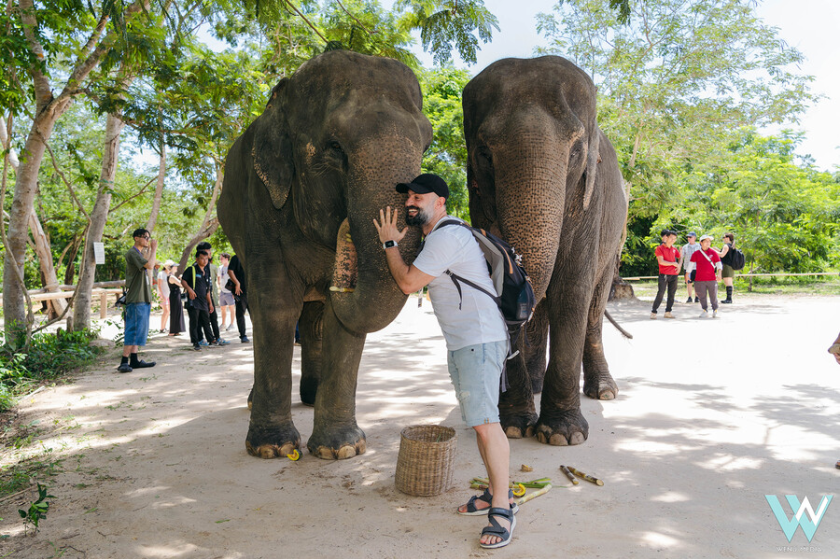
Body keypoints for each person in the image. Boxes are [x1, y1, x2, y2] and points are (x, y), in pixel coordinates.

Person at [374, 173, 516, 549]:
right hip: (468, 342)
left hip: (478, 340)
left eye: (420, 197)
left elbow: (408, 283)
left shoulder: (447, 237)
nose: (411, 202)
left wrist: (389, 242)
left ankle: (502, 508)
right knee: (481, 422)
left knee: (487, 425)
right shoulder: (441, 237)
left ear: (441, 202)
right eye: (409, 197)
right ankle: (493, 492)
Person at [118, 228, 158, 373]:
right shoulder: (132, 253)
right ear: (136, 238)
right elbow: (149, 265)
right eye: (145, 237)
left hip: (143, 298)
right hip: (136, 298)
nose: (148, 239)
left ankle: (133, 360)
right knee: (133, 329)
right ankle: (124, 361)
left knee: (140, 330)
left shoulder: (139, 254)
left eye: (149, 237)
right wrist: (153, 250)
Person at [195, 241, 230, 346]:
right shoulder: (196, 266)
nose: (210, 252)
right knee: (201, 319)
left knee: (213, 316)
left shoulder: (208, 265)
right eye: (208, 250)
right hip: (200, 297)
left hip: (208, 294)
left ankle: (216, 337)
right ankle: (201, 339)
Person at [182, 249, 216, 351]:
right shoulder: (191, 269)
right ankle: (196, 342)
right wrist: (190, 290)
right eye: (202, 258)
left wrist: (210, 303)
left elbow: (207, 290)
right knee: (194, 322)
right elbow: (183, 280)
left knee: (206, 321)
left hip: (204, 301)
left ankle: (211, 340)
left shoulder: (206, 271)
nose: (205, 261)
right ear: (197, 259)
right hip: (194, 301)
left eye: (206, 259)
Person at [688, 234, 722, 318]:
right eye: (706, 241)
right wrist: (687, 274)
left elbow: (718, 264)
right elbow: (690, 265)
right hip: (699, 279)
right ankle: (705, 310)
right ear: (701, 242)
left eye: (709, 241)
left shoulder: (713, 252)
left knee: (713, 295)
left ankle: (715, 310)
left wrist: (719, 273)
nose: (708, 243)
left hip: (711, 278)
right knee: (701, 295)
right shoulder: (696, 253)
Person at [650, 229, 680, 319]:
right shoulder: (659, 248)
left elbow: (680, 256)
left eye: (674, 239)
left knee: (672, 294)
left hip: (674, 274)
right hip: (664, 274)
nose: (673, 240)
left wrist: (679, 266)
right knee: (661, 293)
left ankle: (668, 312)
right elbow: (661, 261)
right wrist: (673, 263)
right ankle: (654, 311)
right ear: (666, 238)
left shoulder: (674, 249)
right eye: (671, 238)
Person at [227, 254, 250, 343]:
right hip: (240, 291)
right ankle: (243, 335)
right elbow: (230, 271)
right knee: (240, 313)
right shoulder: (236, 257)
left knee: (256, 314)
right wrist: (237, 283)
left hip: (253, 292)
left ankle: (258, 334)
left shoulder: (252, 256)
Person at [679, 232, 700, 303]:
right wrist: (680, 252)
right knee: (689, 283)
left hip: (697, 268)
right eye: (688, 237)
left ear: (694, 238)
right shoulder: (685, 247)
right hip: (688, 268)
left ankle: (697, 297)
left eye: (690, 237)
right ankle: (689, 297)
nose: (689, 238)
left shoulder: (699, 246)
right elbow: (681, 257)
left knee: (697, 283)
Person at [218, 253, 236, 332]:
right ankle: (223, 323)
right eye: (220, 258)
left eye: (222, 258)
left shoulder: (231, 268)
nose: (220, 260)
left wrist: (234, 292)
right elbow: (219, 277)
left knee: (231, 308)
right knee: (222, 308)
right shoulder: (220, 268)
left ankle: (232, 324)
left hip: (230, 292)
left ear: (226, 258)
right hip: (222, 291)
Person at [717, 232, 736, 304]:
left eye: (724, 237)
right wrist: (718, 250)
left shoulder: (726, 246)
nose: (723, 239)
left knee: (727, 282)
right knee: (729, 282)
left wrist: (713, 251)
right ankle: (729, 298)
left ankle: (729, 299)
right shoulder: (731, 246)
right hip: (730, 266)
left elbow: (722, 255)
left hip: (726, 266)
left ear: (728, 238)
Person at [167, 264, 186, 336]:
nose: (176, 268)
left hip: (176, 294)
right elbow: (181, 284)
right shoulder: (171, 277)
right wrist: (181, 278)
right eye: (175, 267)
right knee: (175, 312)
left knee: (177, 311)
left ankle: (176, 330)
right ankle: (172, 331)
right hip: (174, 295)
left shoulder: (172, 276)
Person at [157, 260, 174, 333]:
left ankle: (164, 327)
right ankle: (161, 328)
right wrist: (162, 295)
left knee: (168, 311)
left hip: (168, 294)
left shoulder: (169, 274)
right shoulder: (161, 274)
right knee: (166, 311)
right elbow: (159, 285)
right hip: (162, 295)